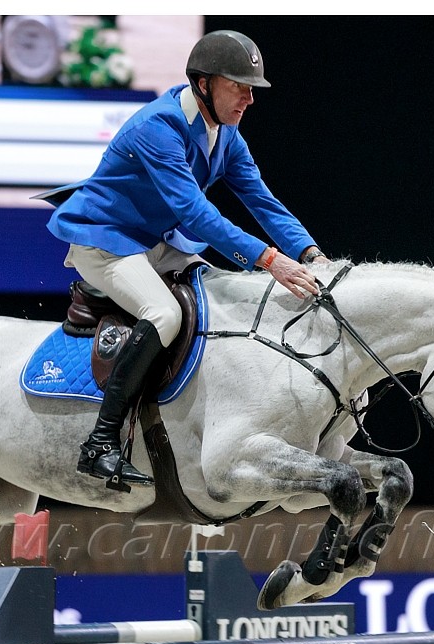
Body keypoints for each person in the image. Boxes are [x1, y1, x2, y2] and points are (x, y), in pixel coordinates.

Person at [46, 29, 329, 488]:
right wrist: (271, 260)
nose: (248, 99)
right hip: (106, 239)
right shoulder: (156, 128)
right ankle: (99, 443)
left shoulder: (227, 135)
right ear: (203, 84)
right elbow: (195, 214)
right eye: (238, 86)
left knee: (222, 295)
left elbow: (262, 201)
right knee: (164, 314)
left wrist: (311, 253)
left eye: (251, 88)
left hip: (154, 239)